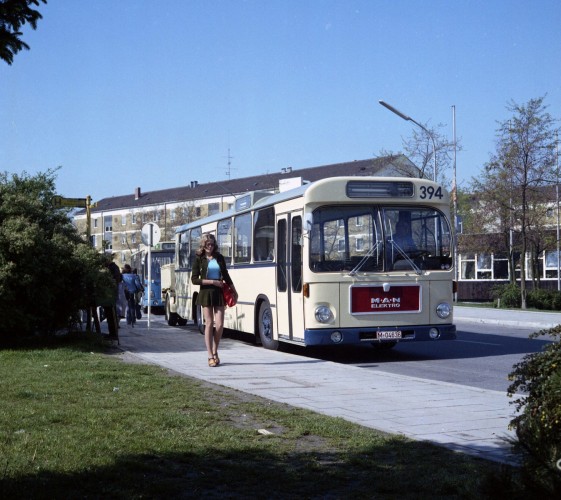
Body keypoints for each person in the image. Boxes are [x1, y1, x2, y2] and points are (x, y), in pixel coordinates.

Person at [191, 233, 237, 367]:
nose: (210, 247)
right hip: (206, 293)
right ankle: (210, 355)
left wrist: (234, 290)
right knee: (209, 323)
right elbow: (194, 279)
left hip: (219, 293)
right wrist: (212, 281)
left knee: (220, 324)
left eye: (211, 244)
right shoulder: (199, 259)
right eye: (207, 245)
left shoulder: (219, 257)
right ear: (203, 246)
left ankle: (216, 351)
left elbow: (226, 276)